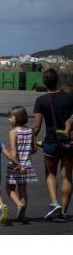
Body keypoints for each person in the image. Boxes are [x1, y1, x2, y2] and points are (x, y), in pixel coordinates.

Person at [32, 68, 73, 220]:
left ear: (45, 83)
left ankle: (54, 203)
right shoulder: (69, 98)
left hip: (50, 141)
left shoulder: (41, 100)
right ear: (57, 81)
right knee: (67, 176)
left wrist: (28, 141)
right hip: (68, 141)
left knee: (50, 173)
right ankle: (63, 213)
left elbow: (36, 127)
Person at [5, 106, 38, 222]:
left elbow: (14, 151)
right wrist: (26, 155)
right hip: (27, 164)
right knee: (23, 189)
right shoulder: (30, 131)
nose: (9, 119)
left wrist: (17, 163)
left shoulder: (13, 132)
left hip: (16, 164)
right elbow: (35, 149)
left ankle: (19, 204)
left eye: (11, 117)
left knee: (9, 188)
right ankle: (22, 215)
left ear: (17, 118)